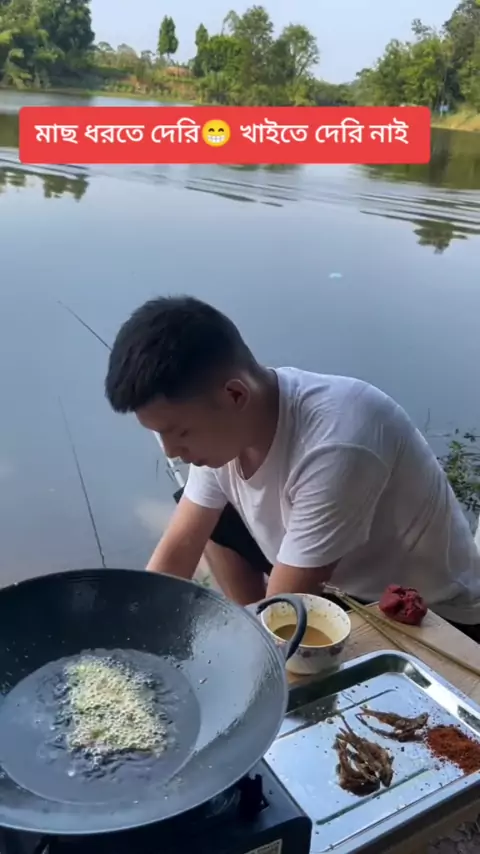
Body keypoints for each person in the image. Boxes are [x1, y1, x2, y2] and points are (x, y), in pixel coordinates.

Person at [105, 295, 480, 641]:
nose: (172, 452)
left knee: (272, 640)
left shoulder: (339, 440)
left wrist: (259, 637)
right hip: (332, 578)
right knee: (214, 518)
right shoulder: (226, 426)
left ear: (235, 394)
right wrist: (133, 636)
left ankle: (255, 635)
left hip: (423, 612)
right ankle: (249, 622)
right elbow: (180, 547)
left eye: (180, 432)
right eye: (160, 434)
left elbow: (283, 607)